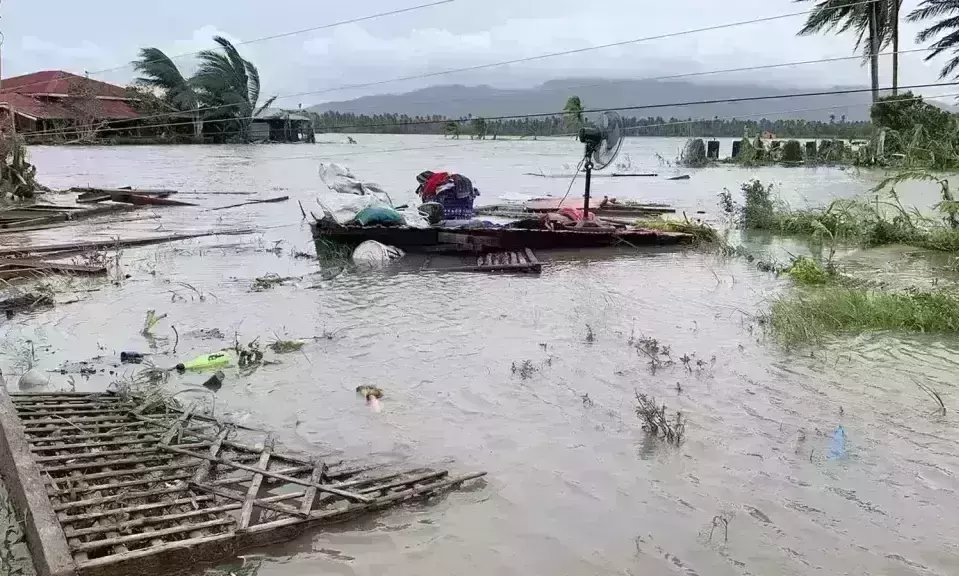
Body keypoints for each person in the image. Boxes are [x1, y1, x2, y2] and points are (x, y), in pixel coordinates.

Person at [415, 170, 480, 220]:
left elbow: (427, 198)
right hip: (465, 210)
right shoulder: (445, 177)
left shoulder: (431, 183)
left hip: (447, 215)